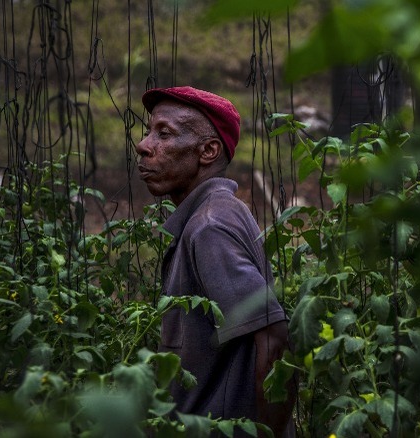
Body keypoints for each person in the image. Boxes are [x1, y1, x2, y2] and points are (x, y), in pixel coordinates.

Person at [135, 86, 295, 437]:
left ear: (207, 151)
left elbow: (274, 340)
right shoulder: (216, 213)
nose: (144, 145)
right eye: (149, 132)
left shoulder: (209, 227)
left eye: (164, 133)